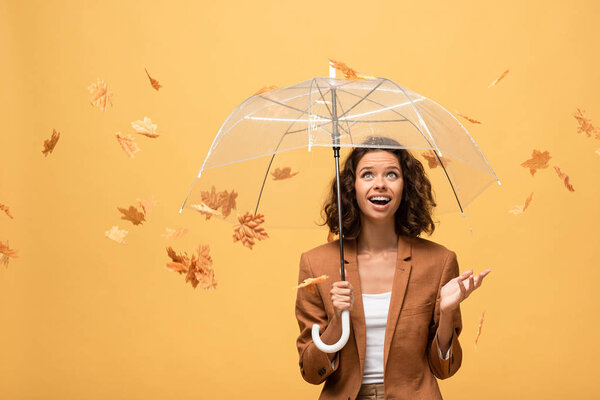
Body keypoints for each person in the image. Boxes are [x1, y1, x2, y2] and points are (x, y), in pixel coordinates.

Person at [295, 136, 491, 400]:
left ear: (405, 187)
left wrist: (446, 313)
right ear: (351, 188)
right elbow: (310, 371)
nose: (380, 184)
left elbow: (444, 369)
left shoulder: (439, 261)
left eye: (391, 174)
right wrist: (337, 324)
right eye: (367, 175)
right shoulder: (316, 264)